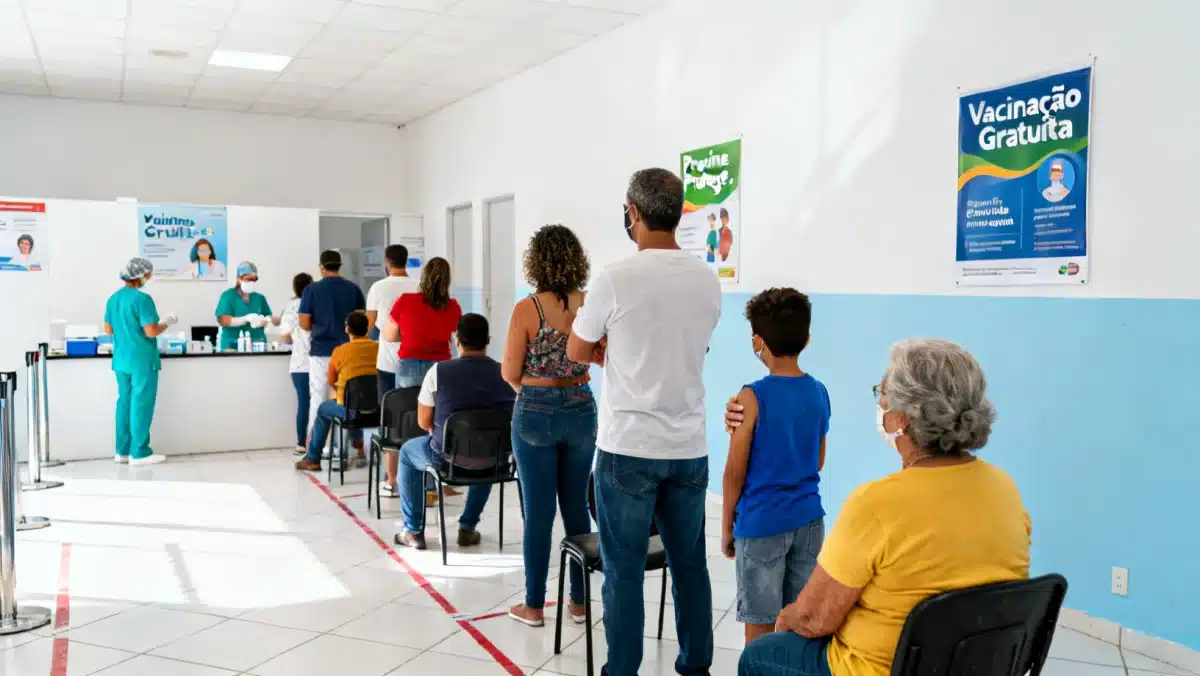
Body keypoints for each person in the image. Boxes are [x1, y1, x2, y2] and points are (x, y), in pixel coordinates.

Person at [731, 339, 1031, 676]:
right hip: (975, 666)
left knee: (761, 654)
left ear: (902, 418)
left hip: (881, 669)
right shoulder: (1005, 490)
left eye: (883, 393)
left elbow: (814, 620)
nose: (880, 403)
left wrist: (786, 619)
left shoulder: (875, 504)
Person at [566, 168, 721, 676]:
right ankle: (696, 665)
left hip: (628, 447)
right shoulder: (706, 277)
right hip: (688, 446)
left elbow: (576, 347)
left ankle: (623, 670)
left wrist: (611, 350)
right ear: (677, 213)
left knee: (624, 572)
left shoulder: (615, 277)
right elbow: (694, 344)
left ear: (632, 213)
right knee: (690, 568)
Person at [501, 224, 596, 628]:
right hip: (581, 405)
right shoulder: (588, 304)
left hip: (535, 409)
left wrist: (538, 390)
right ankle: (579, 603)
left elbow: (509, 371)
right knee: (576, 507)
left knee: (538, 513)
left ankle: (535, 606)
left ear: (535, 261)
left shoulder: (527, 309)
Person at [722, 288, 829, 645]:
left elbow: (734, 471)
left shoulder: (750, 396)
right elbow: (818, 460)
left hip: (762, 523)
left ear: (757, 341)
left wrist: (726, 527)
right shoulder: (819, 391)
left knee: (760, 626)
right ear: (808, 339)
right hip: (810, 521)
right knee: (800, 622)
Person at [392, 313, 515, 550]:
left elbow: (423, 421)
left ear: (456, 340)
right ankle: (467, 528)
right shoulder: (505, 373)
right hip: (494, 461)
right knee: (486, 446)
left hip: (446, 460)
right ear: (487, 340)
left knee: (407, 451)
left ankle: (413, 531)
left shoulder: (438, 371)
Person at [379, 256, 462, 497]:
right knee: (436, 423)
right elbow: (457, 339)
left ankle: (403, 481)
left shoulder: (406, 301)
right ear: (447, 281)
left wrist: (410, 334)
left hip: (409, 366)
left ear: (423, 277)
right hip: (442, 368)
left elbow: (389, 335)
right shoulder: (453, 306)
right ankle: (434, 483)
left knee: (409, 423)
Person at [102, 257, 176, 466]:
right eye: (148, 274)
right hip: (142, 360)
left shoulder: (113, 299)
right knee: (141, 404)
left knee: (124, 403)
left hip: (122, 360)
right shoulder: (142, 299)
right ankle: (140, 452)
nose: (148, 278)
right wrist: (167, 322)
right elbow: (151, 331)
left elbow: (108, 329)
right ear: (141, 275)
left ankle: (122, 451)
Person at [299, 250, 366, 461]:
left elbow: (304, 323)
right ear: (339, 265)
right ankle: (349, 448)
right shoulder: (354, 290)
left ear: (321, 267)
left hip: (321, 353)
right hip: (349, 353)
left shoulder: (311, 290)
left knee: (318, 400)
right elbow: (361, 321)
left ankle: (316, 449)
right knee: (348, 400)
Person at [295, 311, 377, 471]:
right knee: (358, 402)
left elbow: (331, 381)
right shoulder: (378, 348)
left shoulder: (340, 351)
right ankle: (358, 448)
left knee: (324, 409)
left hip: (350, 411)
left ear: (347, 329)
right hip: (377, 411)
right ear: (367, 329)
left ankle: (313, 458)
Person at [366, 244, 419, 402]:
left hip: (387, 358)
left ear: (387, 262)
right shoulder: (419, 286)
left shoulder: (378, 287)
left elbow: (369, 323)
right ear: (406, 261)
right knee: (411, 406)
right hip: (414, 356)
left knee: (387, 407)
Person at [280, 273, 314, 455]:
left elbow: (284, 338)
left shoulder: (291, 307)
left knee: (304, 403)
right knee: (319, 403)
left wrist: (296, 337)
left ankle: (301, 443)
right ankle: (319, 444)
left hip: (299, 365)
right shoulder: (317, 304)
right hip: (319, 361)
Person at [215, 261, 276, 351]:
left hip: (257, 345)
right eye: (248, 279)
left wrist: (267, 321)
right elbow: (223, 320)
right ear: (238, 279)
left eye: (254, 279)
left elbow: (269, 316)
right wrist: (245, 319)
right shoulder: (228, 296)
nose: (251, 282)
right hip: (232, 346)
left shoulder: (259, 298)